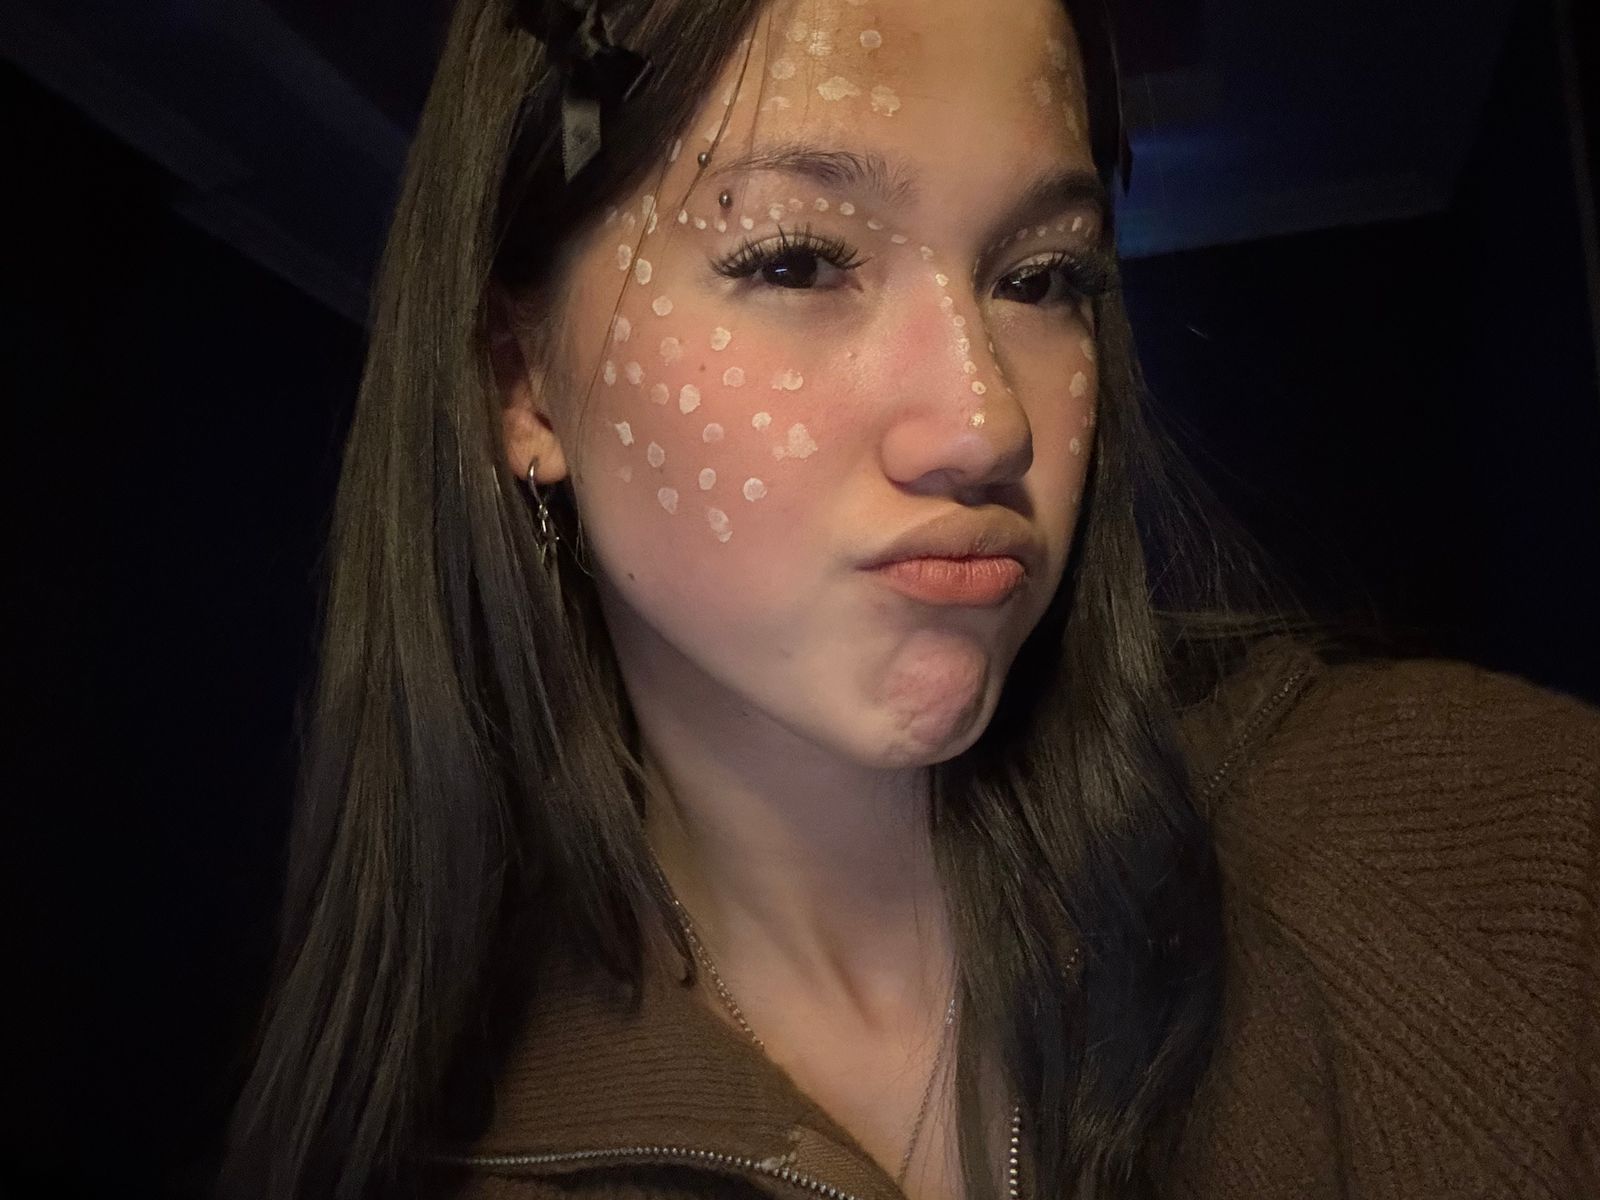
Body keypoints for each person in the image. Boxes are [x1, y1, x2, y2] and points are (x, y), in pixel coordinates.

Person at [218, 0, 1600, 1198]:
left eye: (1041, 277)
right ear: (520, 381)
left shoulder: (1489, 850)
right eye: (797, 258)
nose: (986, 422)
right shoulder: (440, 1155)